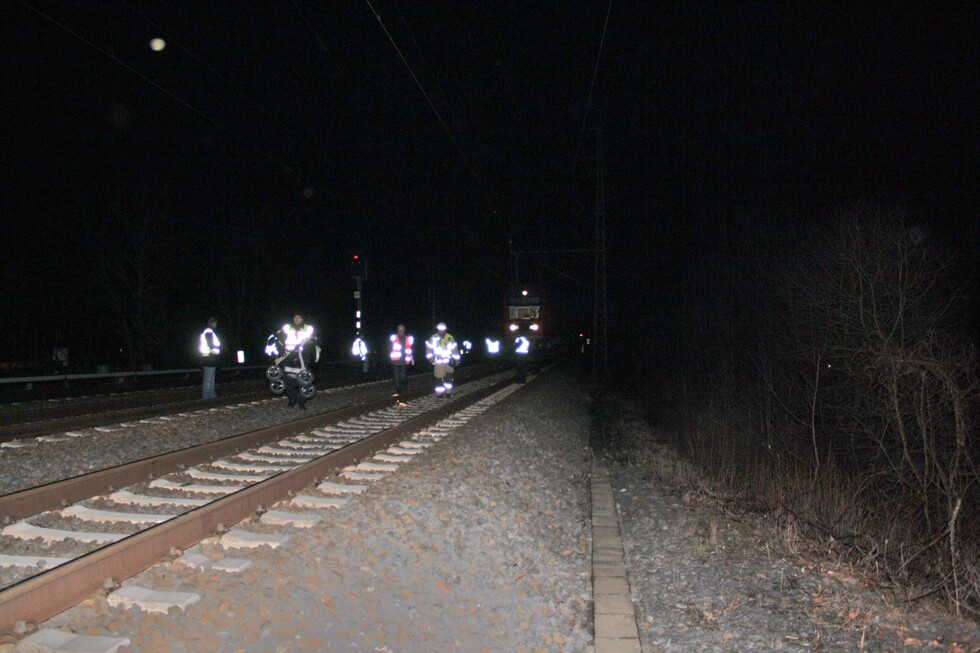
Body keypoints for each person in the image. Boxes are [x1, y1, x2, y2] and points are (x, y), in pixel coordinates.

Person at [277, 313, 317, 409]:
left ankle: (302, 401)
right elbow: (279, 337)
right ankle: (292, 398)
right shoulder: (287, 328)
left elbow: (314, 339)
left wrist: (306, 346)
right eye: (295, 317)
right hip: (288, 355)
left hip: (302, 356)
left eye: (299, 317)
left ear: (302, 318)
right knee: (284, 378)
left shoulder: (308, 328)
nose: (297, 319)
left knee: (305, 380)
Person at [425, 322, 460, 397]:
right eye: (439, 330)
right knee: (438, 378)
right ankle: (439, 393)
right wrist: (432, 360)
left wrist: (457, 360)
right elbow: (429, 349)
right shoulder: (433, 337)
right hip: (438, 361)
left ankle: (448, 393)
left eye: (442, 329)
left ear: (445, 329)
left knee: (449, 377)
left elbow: (455, 349)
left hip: (449, 361)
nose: (441, 331)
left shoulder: (450, 337)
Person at [388, 323, 414, 396]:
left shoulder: (408, 339)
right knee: (396, 380)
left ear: (404, 330)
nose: (401, 331)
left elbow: (410, 350)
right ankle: (400, 393)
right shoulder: (393, 338)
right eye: (400, 329)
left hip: (404, 362)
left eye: (402, 330)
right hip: (395, 362)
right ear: (397, 330)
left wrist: (409, 359)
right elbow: (389, 348)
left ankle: (405, 390)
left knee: (403, 378)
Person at [198, 316, 221, 399]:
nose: (216, 325)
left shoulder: (209, 331)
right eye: (215, 323)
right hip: (209, 358)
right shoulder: (209, 331)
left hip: (209, 358)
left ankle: (211, 396)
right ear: (213, 323)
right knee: (208, 379)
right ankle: (206, 397)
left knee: (211, 379)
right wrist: (215, 351)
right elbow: (211, 345)